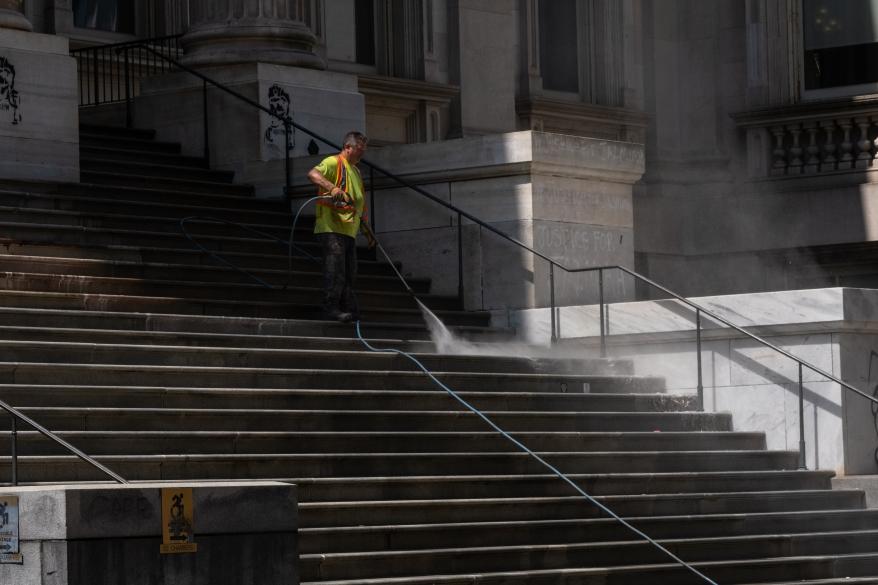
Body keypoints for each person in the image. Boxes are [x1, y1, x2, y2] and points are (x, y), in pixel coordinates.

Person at [307, 131, 376, 322]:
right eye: (359, 149)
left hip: (349, 230)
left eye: (364, 149)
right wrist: (333, 188)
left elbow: (359, 202)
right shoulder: (333, 162)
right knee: (335, 269)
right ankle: (331, 308)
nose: (362, 153)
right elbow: (313, 174)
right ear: (347, 147)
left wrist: (366, 229)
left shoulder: (356, 171)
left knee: (349, 272)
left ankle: (347, 308)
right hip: (330, 227)